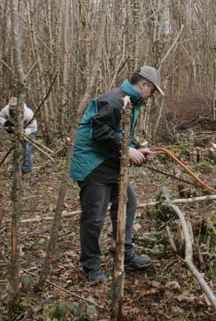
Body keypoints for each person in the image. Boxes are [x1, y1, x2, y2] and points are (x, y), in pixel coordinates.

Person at [70, 66, 164, 282]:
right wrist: (126, 150)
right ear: (143, 85)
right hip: (92, 164)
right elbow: (99, 134)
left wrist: (137, 148)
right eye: (153, 91)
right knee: (94, 217)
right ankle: (91, 265)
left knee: (127, 203)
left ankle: (124, 252)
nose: (152, 96)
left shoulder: (129, 103)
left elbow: (120, 134)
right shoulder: (113, 100)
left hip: (108, 162)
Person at [0, 97, 37, 175]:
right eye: (12, 109)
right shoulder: (5, 110)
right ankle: (16, 169)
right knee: (17, 149)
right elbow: (0, 116)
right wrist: (6, 123)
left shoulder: (28, 114)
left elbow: (32, 126)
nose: (14, 111)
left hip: (30, 131)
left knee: (26, 150)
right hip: (16, 130)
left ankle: (26, 169)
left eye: (16, 108)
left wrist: (24, 132)